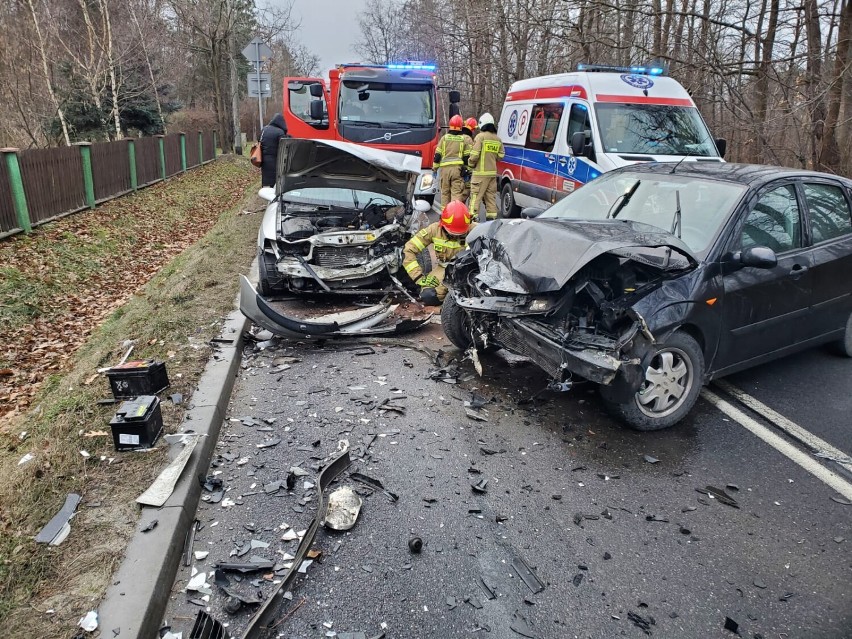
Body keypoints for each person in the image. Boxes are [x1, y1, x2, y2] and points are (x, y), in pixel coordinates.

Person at [402, 200, 476, 306]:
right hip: (444, 269)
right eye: (452, 233)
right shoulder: (434, 229)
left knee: (473, 295)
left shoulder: (476, 229)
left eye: (460, 234)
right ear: (442, 224)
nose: (456, 237)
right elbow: (409, 249)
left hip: (468, 270)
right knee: (428, 296)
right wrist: (419, 277)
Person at [468, 113, 505, 220]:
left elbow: (474, 155)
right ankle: (491, 221)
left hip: (480, 174)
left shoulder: (480, 137)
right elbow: (501, 155)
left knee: (475, 197)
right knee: (490, 199)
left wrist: (470, 165)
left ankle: (472, 220)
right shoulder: (497, 139)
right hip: (492, 174)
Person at [433, 114, 470, 210]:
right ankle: (454, 215)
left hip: (445, 170)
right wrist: (466, 170)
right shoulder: (463, 140)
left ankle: (444, 215)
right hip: (457, 170)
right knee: (456, 193)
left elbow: (437, 156)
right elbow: (466, 158)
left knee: (445, 193)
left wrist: (435, 169)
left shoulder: (444, 138)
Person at [259, 113, 288, 187]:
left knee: (266, 177)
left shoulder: (264, 129)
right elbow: (284, 145)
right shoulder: (280, 132)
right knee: (275, 178)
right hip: (275, 159)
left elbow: (259, 139)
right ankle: (274, 192)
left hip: (263, 158)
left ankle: (265, 190)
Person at [461, 117, 478, 203]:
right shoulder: (468, 139)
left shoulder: (459, 136)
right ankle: (459, 210)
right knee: (465, 191)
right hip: (465, 170)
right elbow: (468, 157)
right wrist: (469, 170)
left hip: (456, 168)